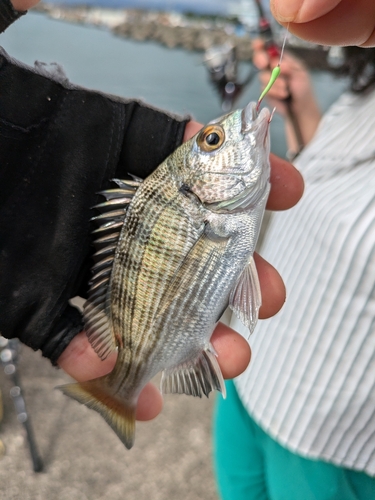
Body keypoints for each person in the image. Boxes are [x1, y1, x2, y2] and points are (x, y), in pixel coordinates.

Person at [0, 0, 304, 422]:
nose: (228, 128)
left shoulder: (218, 209)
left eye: (210, 141)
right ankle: (118, 391)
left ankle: (117, 391)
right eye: (213, 141)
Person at [214, 42, 375, 498]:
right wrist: (301, 111)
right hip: (252, 378)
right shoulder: (366, 90)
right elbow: (324, 182)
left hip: (333, 440)